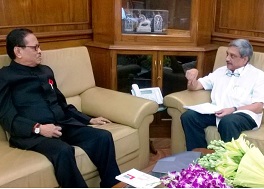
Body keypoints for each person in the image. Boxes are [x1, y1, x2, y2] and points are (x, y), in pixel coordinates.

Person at [0, 28, 121, 188]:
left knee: (102, 137)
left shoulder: (45, 71)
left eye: (39, 46)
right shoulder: (5, 77)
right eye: (35, 47)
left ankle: (113, 185)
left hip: (62, 124)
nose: (40, 51)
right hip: (33, 135)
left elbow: (62, 104)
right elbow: (7, 117)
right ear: (18, 51)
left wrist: (88, 119)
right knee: (63, 151)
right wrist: (39, 129)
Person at [181, 39, 264, 151]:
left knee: (228, 121)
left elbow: (258, 107)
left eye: (232, 56)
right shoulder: (220, 71)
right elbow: (195, 86)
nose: (227, 59)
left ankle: (230, 163)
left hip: (244, 114)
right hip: (218, 111)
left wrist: (233, 109)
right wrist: (192, 79)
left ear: (244, 59)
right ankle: (198, 159)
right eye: (227, 54)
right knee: (189, 117)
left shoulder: (258, 76)